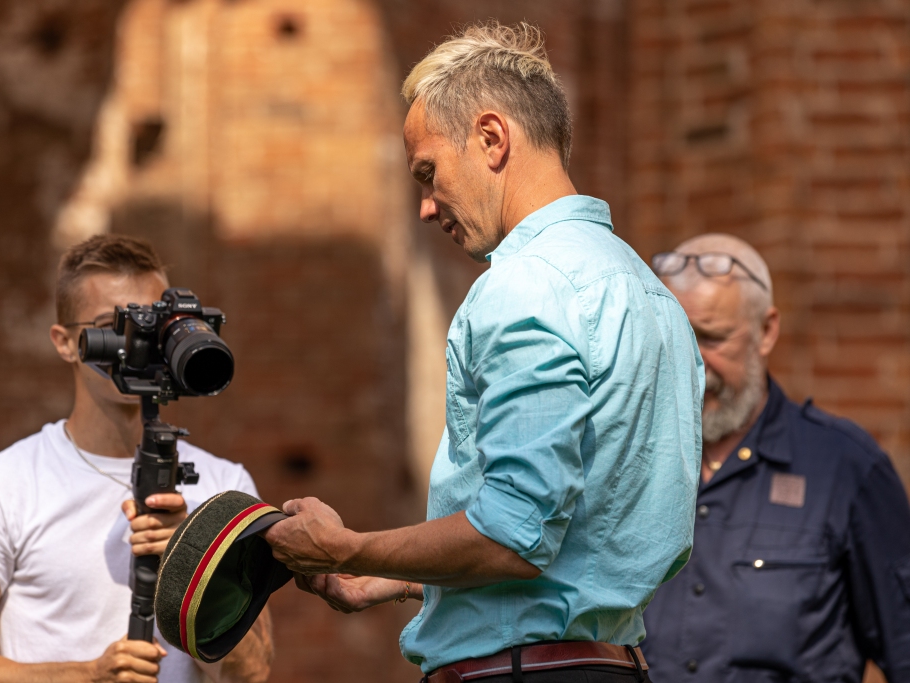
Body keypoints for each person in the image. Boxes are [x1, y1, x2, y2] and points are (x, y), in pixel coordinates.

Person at [263, 22, 703, 683]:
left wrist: (346, 544)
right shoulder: (652, 293)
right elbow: (581, 550)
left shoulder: (524, 285)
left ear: (492, 139)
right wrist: (399, 574)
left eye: (428, 171)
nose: (425, 204)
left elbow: (513, 534)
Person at [0, 235, 273, 683]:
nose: (139, 344)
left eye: (154, 326)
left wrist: (191, 563)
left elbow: (250, 674)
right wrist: (85, 674)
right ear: (65, 342)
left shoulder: (224, 485)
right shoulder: (4, 483)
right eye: (115, 324)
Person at [642, 233, 910, 682]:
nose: (693, 363)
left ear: (767, 331)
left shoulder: (846, 468)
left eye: (711, 338)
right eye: (674, 340)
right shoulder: (625, 461)